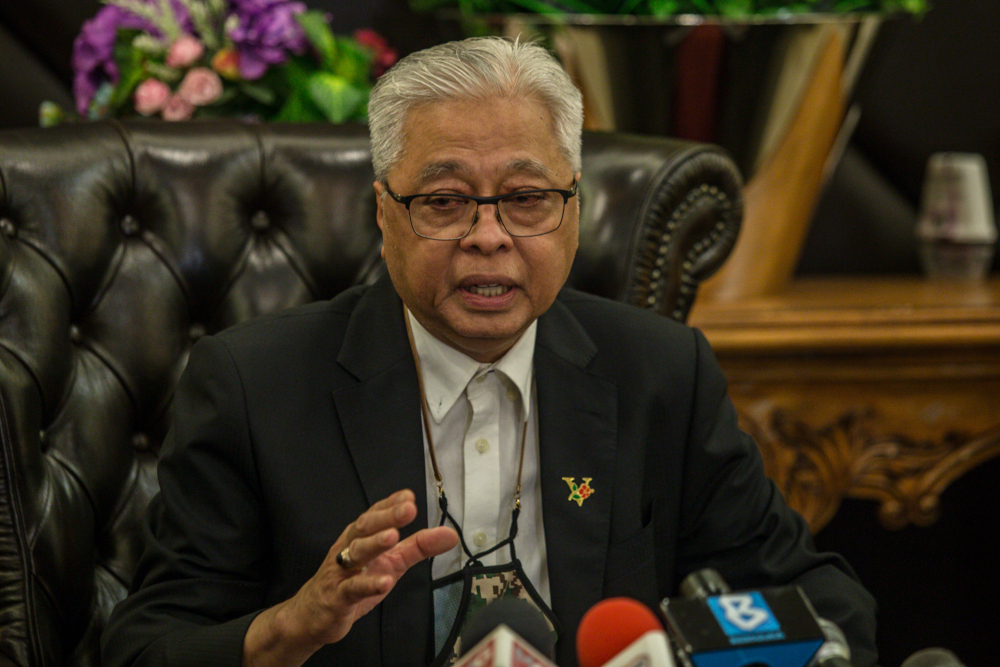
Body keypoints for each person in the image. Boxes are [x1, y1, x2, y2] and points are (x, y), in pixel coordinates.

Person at [101, 36, 877, 667]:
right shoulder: (254, 385)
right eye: (443, 201)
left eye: (527, 198)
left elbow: (827, 608)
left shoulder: (661, 374)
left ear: (573, 208)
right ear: (384, 212)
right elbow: (143, 647)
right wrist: (293, 624)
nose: (488, 235)